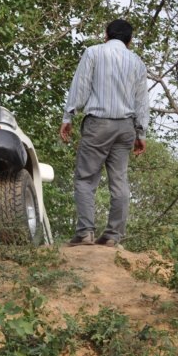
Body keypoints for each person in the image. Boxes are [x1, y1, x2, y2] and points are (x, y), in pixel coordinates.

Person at [59, 19, 149, 247]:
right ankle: (112, 236)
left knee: (86, 178)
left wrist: (68, 116)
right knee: (119, 181)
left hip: (98, 124)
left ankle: (85, 233)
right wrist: (141, 133)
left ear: (106, 35)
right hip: (126, 127)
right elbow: (142, 102)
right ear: (129, 41)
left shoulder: (93, 53)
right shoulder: (137, 62)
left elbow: (80, 86)